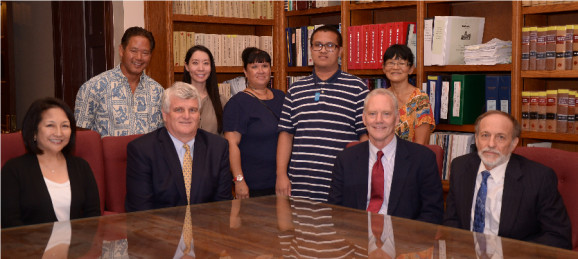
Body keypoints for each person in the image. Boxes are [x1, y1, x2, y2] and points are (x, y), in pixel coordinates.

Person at [443, 110, 572, 249]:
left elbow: (558, 237)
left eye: (500, 137)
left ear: (513, 143)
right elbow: (452, 220)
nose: (491, 144)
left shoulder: (539, 178)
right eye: (485, 135)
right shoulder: (460, 167)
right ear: (476, 138)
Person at [276, 25, 369, 202]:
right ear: (311, 50)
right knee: (300, 229)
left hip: (343, 183)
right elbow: (286, 135)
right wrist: (281, 175)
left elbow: (365, 137)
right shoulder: (295, 90)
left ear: (340, 50)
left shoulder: (358, 88)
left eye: (330, 46)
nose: (323, 50)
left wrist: (359, 174)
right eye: (318, 45)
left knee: (342, 228)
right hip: (299, 184)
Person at [328, 89, 443, 225]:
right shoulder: (345, 159)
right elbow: (336, 210)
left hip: (405, 240)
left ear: (397, 119)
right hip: (357, 238)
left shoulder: (423, 159)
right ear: (364, 119)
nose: (379, 120)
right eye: (372, 114)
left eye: (386, 114)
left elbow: (433, 213)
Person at [125, 82, 232, 212]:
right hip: (159, 230)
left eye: (192, 110)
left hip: (205, 229)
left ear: (199, 115)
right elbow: (140, 212)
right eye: (179, 110)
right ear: (165, 115)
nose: (186, 116)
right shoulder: (142, 150)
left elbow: (222, 208)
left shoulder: (218, 148)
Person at [2, 97, 101, 228]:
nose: (59, 133)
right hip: (30, 247)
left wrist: (80, 246)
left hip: (77, 246)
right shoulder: (14, 169)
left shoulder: (81, 166)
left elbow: (93, 215)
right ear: (34, 132)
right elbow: (10, 222)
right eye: (50, 125)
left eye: (65, 126)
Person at [75, 26, 164, 137]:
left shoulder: (158, 92)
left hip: (148, 154)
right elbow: (81, 137)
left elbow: (163, 135)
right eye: (133, 51)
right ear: (121, 50)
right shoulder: (93, 87)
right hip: (107, 154)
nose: (139, 57)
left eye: (145, 53)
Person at [223, 47, 285, 199]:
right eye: (254, 67)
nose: (261, 71)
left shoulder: (282, 97)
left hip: (283, 180)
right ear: (245, 71)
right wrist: (239, 180)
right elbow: (232, 144)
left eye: (265, 66)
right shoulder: (237, 103)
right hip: (254, 185)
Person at [382, 44, 434, 145]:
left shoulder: (420, 99)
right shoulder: (380, 98)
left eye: (401, 63)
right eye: (391, 63)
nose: (395, 67)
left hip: (411, 158)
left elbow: (421, 144)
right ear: (383, 68)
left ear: (411, 69)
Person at [182, 45, 227, 135]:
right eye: (195, 63)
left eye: (206, 63)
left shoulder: (221, 101)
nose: (201, 68)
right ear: (187, 66)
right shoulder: (176, 99)